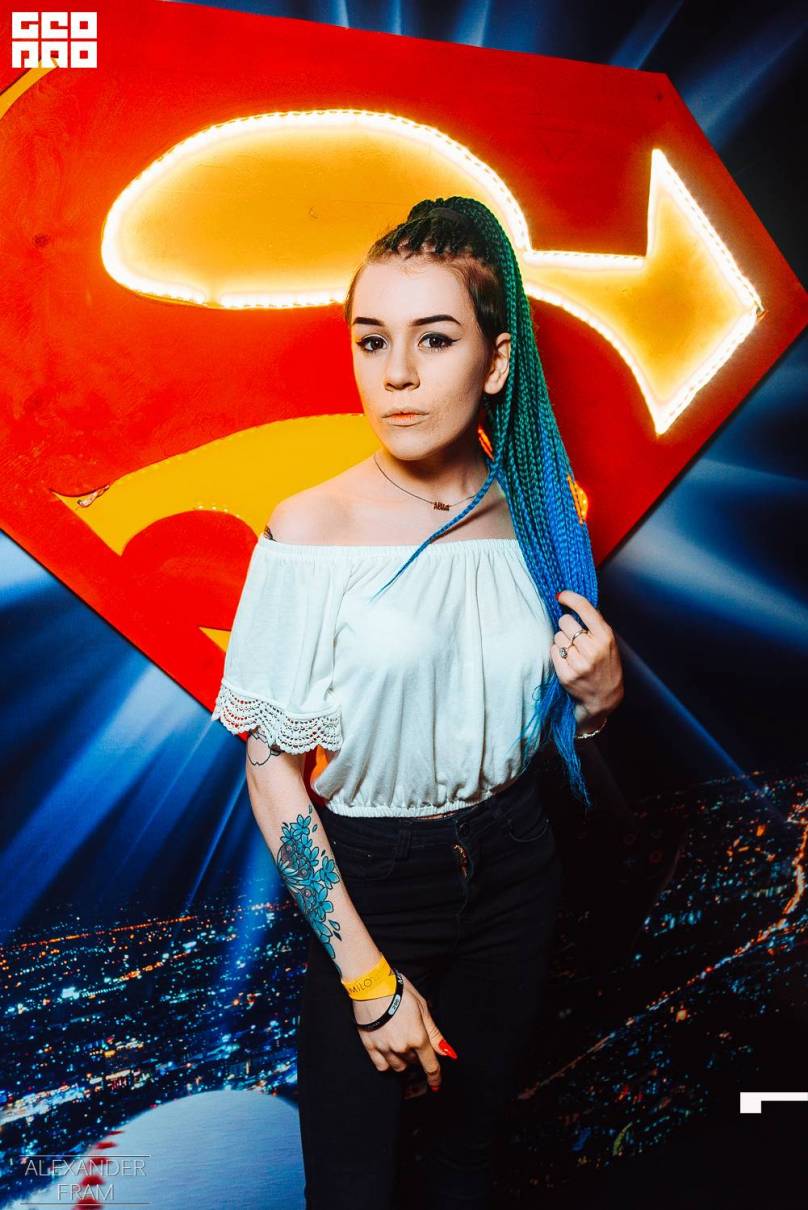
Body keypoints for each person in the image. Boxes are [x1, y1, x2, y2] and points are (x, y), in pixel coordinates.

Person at [211, 197, 624, 1209]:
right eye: (372, 340)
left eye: (434, 339)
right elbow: (270, 774)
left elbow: (554, 730)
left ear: (496, 361)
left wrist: (601, 704)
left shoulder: (542, 515)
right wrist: (369, 983)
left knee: (466, 1162)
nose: (395, 373)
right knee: (354, 1186)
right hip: (371, 881)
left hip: (516, 862)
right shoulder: (312, 529)